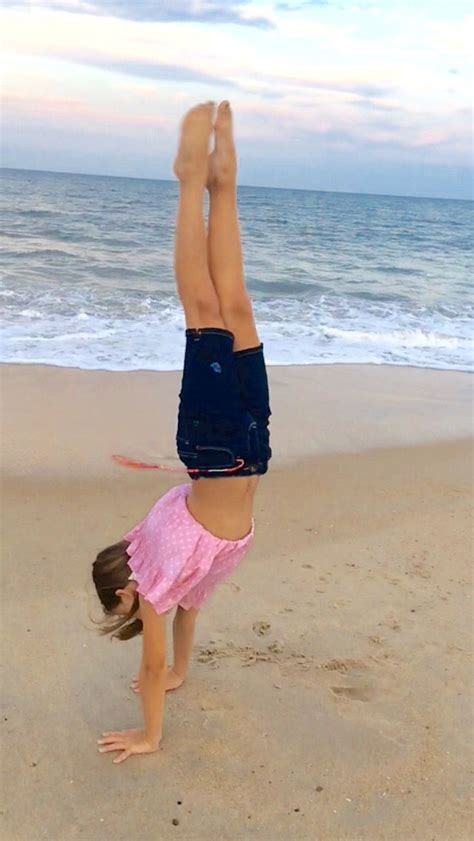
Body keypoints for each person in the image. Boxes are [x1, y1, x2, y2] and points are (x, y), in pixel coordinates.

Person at [92, 101, 272, 764]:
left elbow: (150, 662)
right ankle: (222, 183)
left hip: (223, 448)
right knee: (236, 302)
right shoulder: (174, 568)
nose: (143, 621)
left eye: (129, 611)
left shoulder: (155, 581)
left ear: (125, 588)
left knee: (202, 306)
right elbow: (189, 611)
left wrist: (150, 731)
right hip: (246, 444)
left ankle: (189, 180)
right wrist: (183, 671)